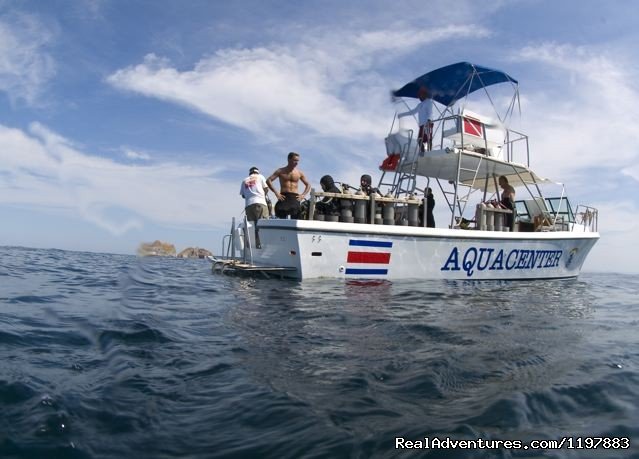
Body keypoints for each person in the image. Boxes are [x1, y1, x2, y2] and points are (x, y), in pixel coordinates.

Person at [266, 152, 311, 219]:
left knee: (296, 216)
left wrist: (303, 195)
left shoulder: (299, 173)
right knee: (279, 213)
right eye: (295, 160)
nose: (297, 162)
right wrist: (276, 193)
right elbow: (268, 180)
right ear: (289, 160)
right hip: (283, 196)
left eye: (297, 161)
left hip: (294, 197)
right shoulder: (280, 171)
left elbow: (308, 184)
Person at [240, 166, 269, 248]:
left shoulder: (244, 180)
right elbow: (266, 188)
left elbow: (243, 195)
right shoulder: (260, 177)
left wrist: (250, 195)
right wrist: (263, 196)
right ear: (257, 172)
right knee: (262, 225)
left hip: (248, 206)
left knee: (252, 228)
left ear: (250, 173)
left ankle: (254, 247)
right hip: (260, 203)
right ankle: (262, 246)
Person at [398, 86, 433, 151]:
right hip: (422, 125)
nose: (419, 97)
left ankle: (429, 151)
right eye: (419, 95)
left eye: (420, 95)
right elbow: (412, 112)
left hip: (428, 123)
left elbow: (430, 112)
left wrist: (429, 120)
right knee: (420, 140)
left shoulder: (428, 102)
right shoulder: (420, 105)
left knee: (428, 138)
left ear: (424, 94)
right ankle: (423, 153)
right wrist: (402, 115)